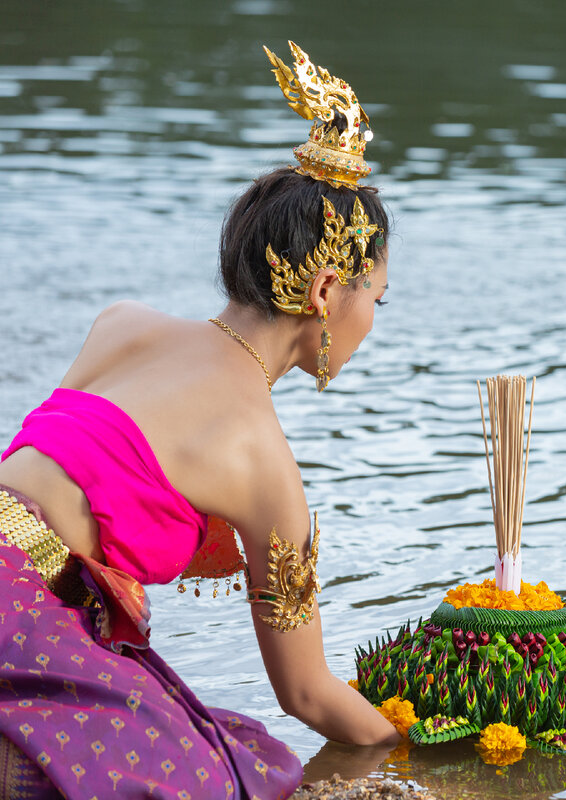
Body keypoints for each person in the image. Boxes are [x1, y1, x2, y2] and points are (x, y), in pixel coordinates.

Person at [0, 41, 399, 799]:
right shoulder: (264, 463)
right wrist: (401, 744)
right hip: (12, 610)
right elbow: (306, 695)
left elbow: (64, 491)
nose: (371, 323)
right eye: (375, 300)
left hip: (17, 584)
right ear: (323, 292)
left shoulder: (121, 324)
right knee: (223, 772)